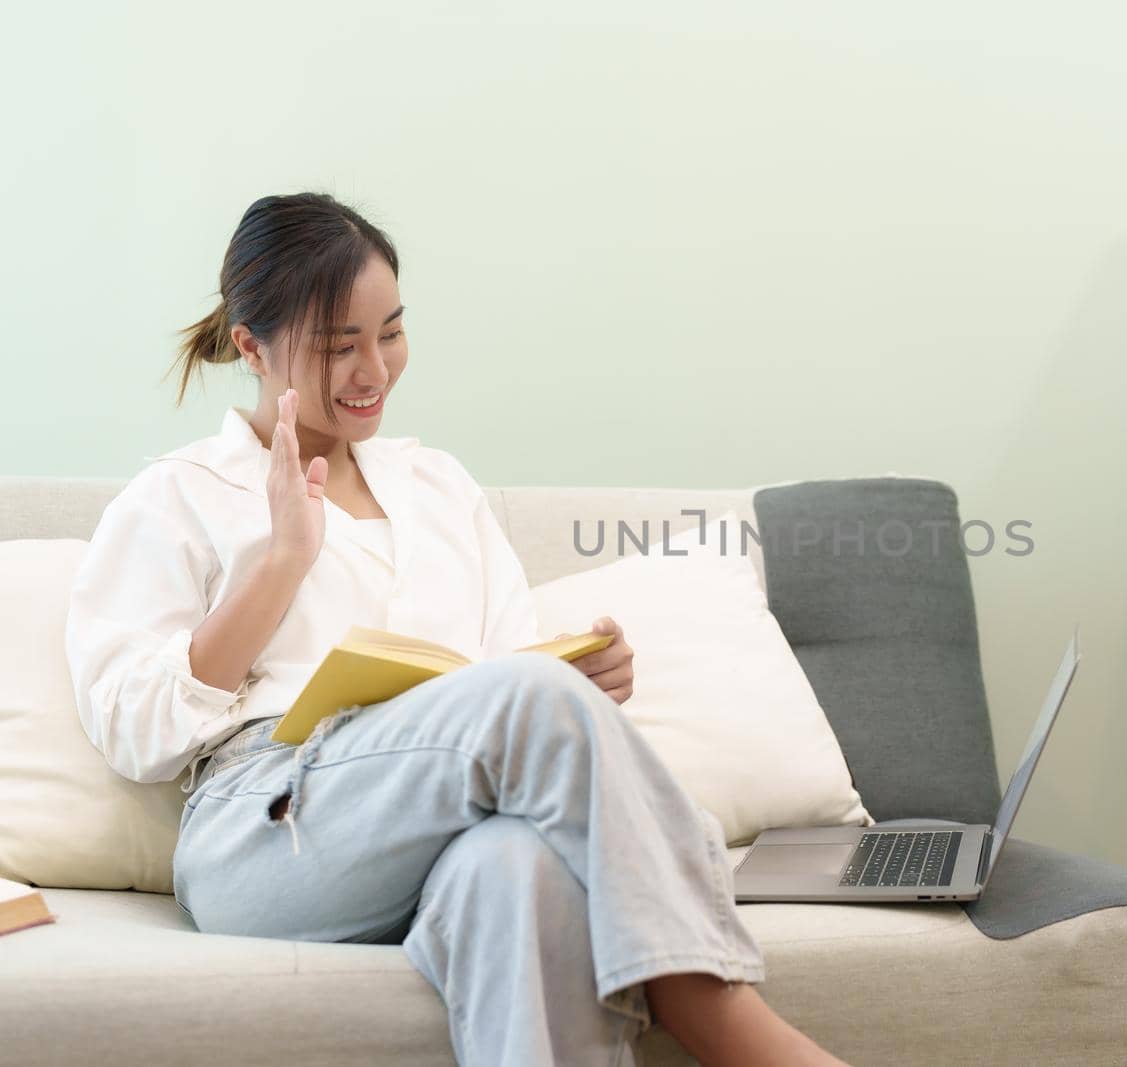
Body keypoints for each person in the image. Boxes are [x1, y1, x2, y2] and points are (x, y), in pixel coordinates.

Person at [63, 192, 850, 1067]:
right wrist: (282, 560)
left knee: (523, 869)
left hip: (453, 825)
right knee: (527, 709)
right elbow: (134, 728)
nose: (374, 370)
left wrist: (576, 684)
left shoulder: (439, 486)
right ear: (251, 346)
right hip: (264, 829)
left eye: (389, 334)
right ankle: (727, 1022)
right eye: (338, 346)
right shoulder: (179, 494)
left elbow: (507, 675)